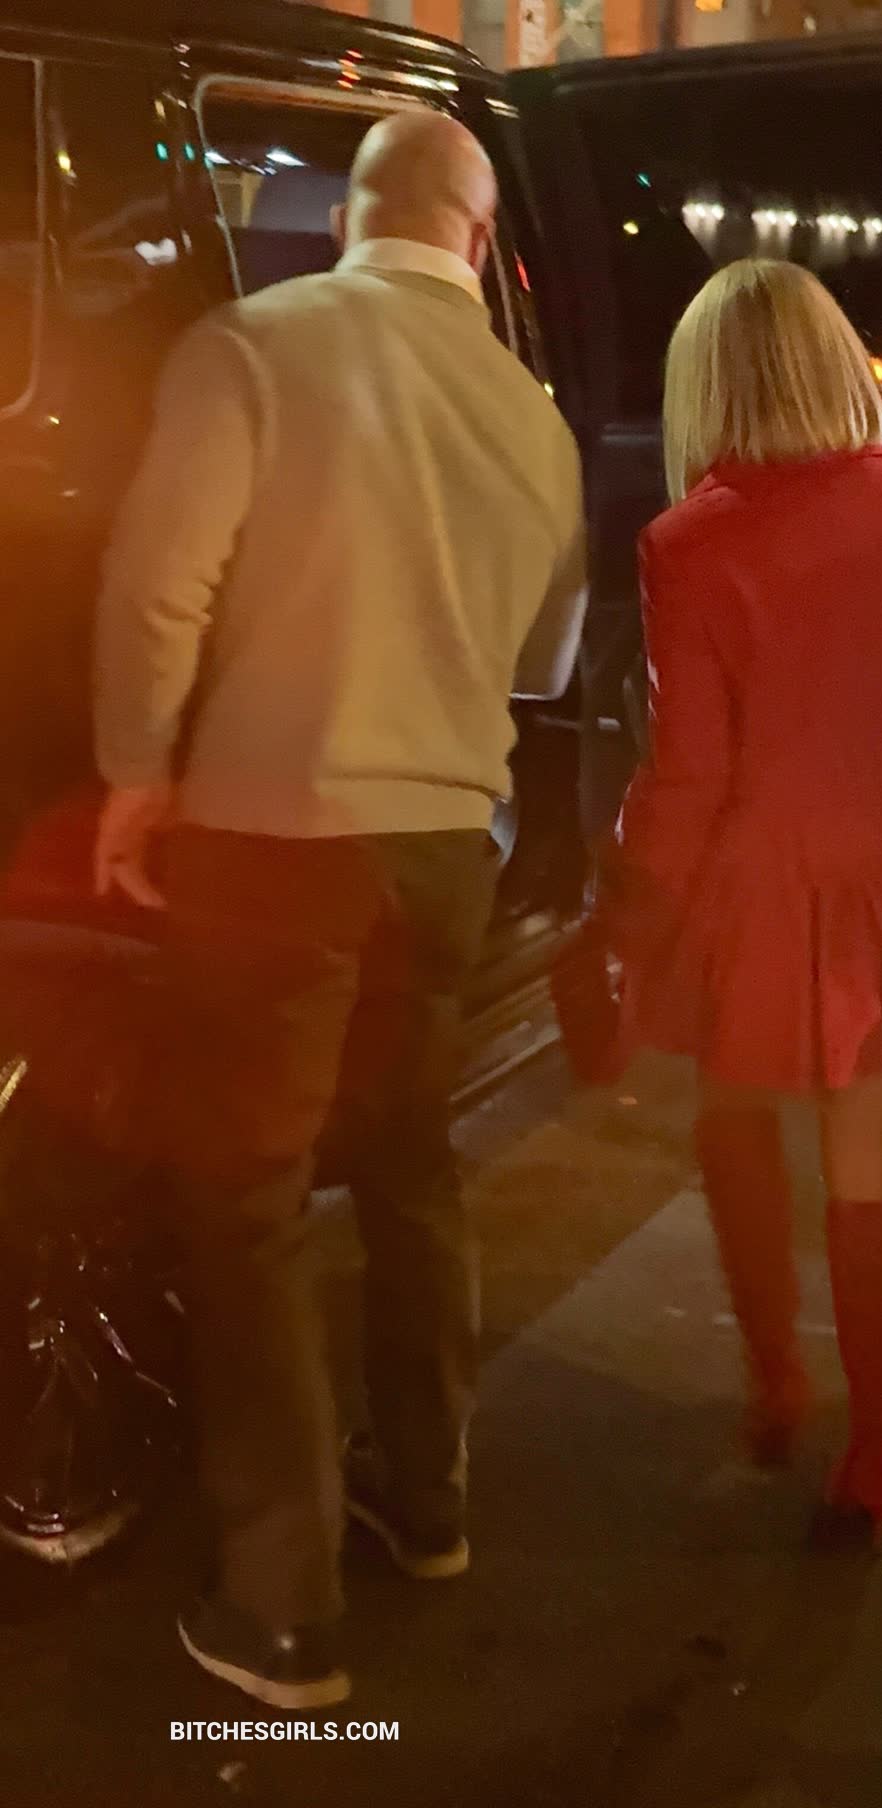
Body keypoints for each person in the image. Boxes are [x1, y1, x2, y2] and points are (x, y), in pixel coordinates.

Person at [92, 110, 586, 1707]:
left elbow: (159, 584)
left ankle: (282, 1609)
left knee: (247, 1203)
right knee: (411, 1170)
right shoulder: (532, 418)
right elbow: (549, 658)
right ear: (478, 236)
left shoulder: (257, 347)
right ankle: (427, 1505)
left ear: (350, 211)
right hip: (446, 849)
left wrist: (134, 773)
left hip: (277, 838)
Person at [598, 258, 882, 1551]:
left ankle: (775, 1384)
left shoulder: (689, 542)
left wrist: (632, 899)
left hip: (753, 880)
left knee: (734, 1116)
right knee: (870, 1162)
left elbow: (689, 768)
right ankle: (881, 1448)